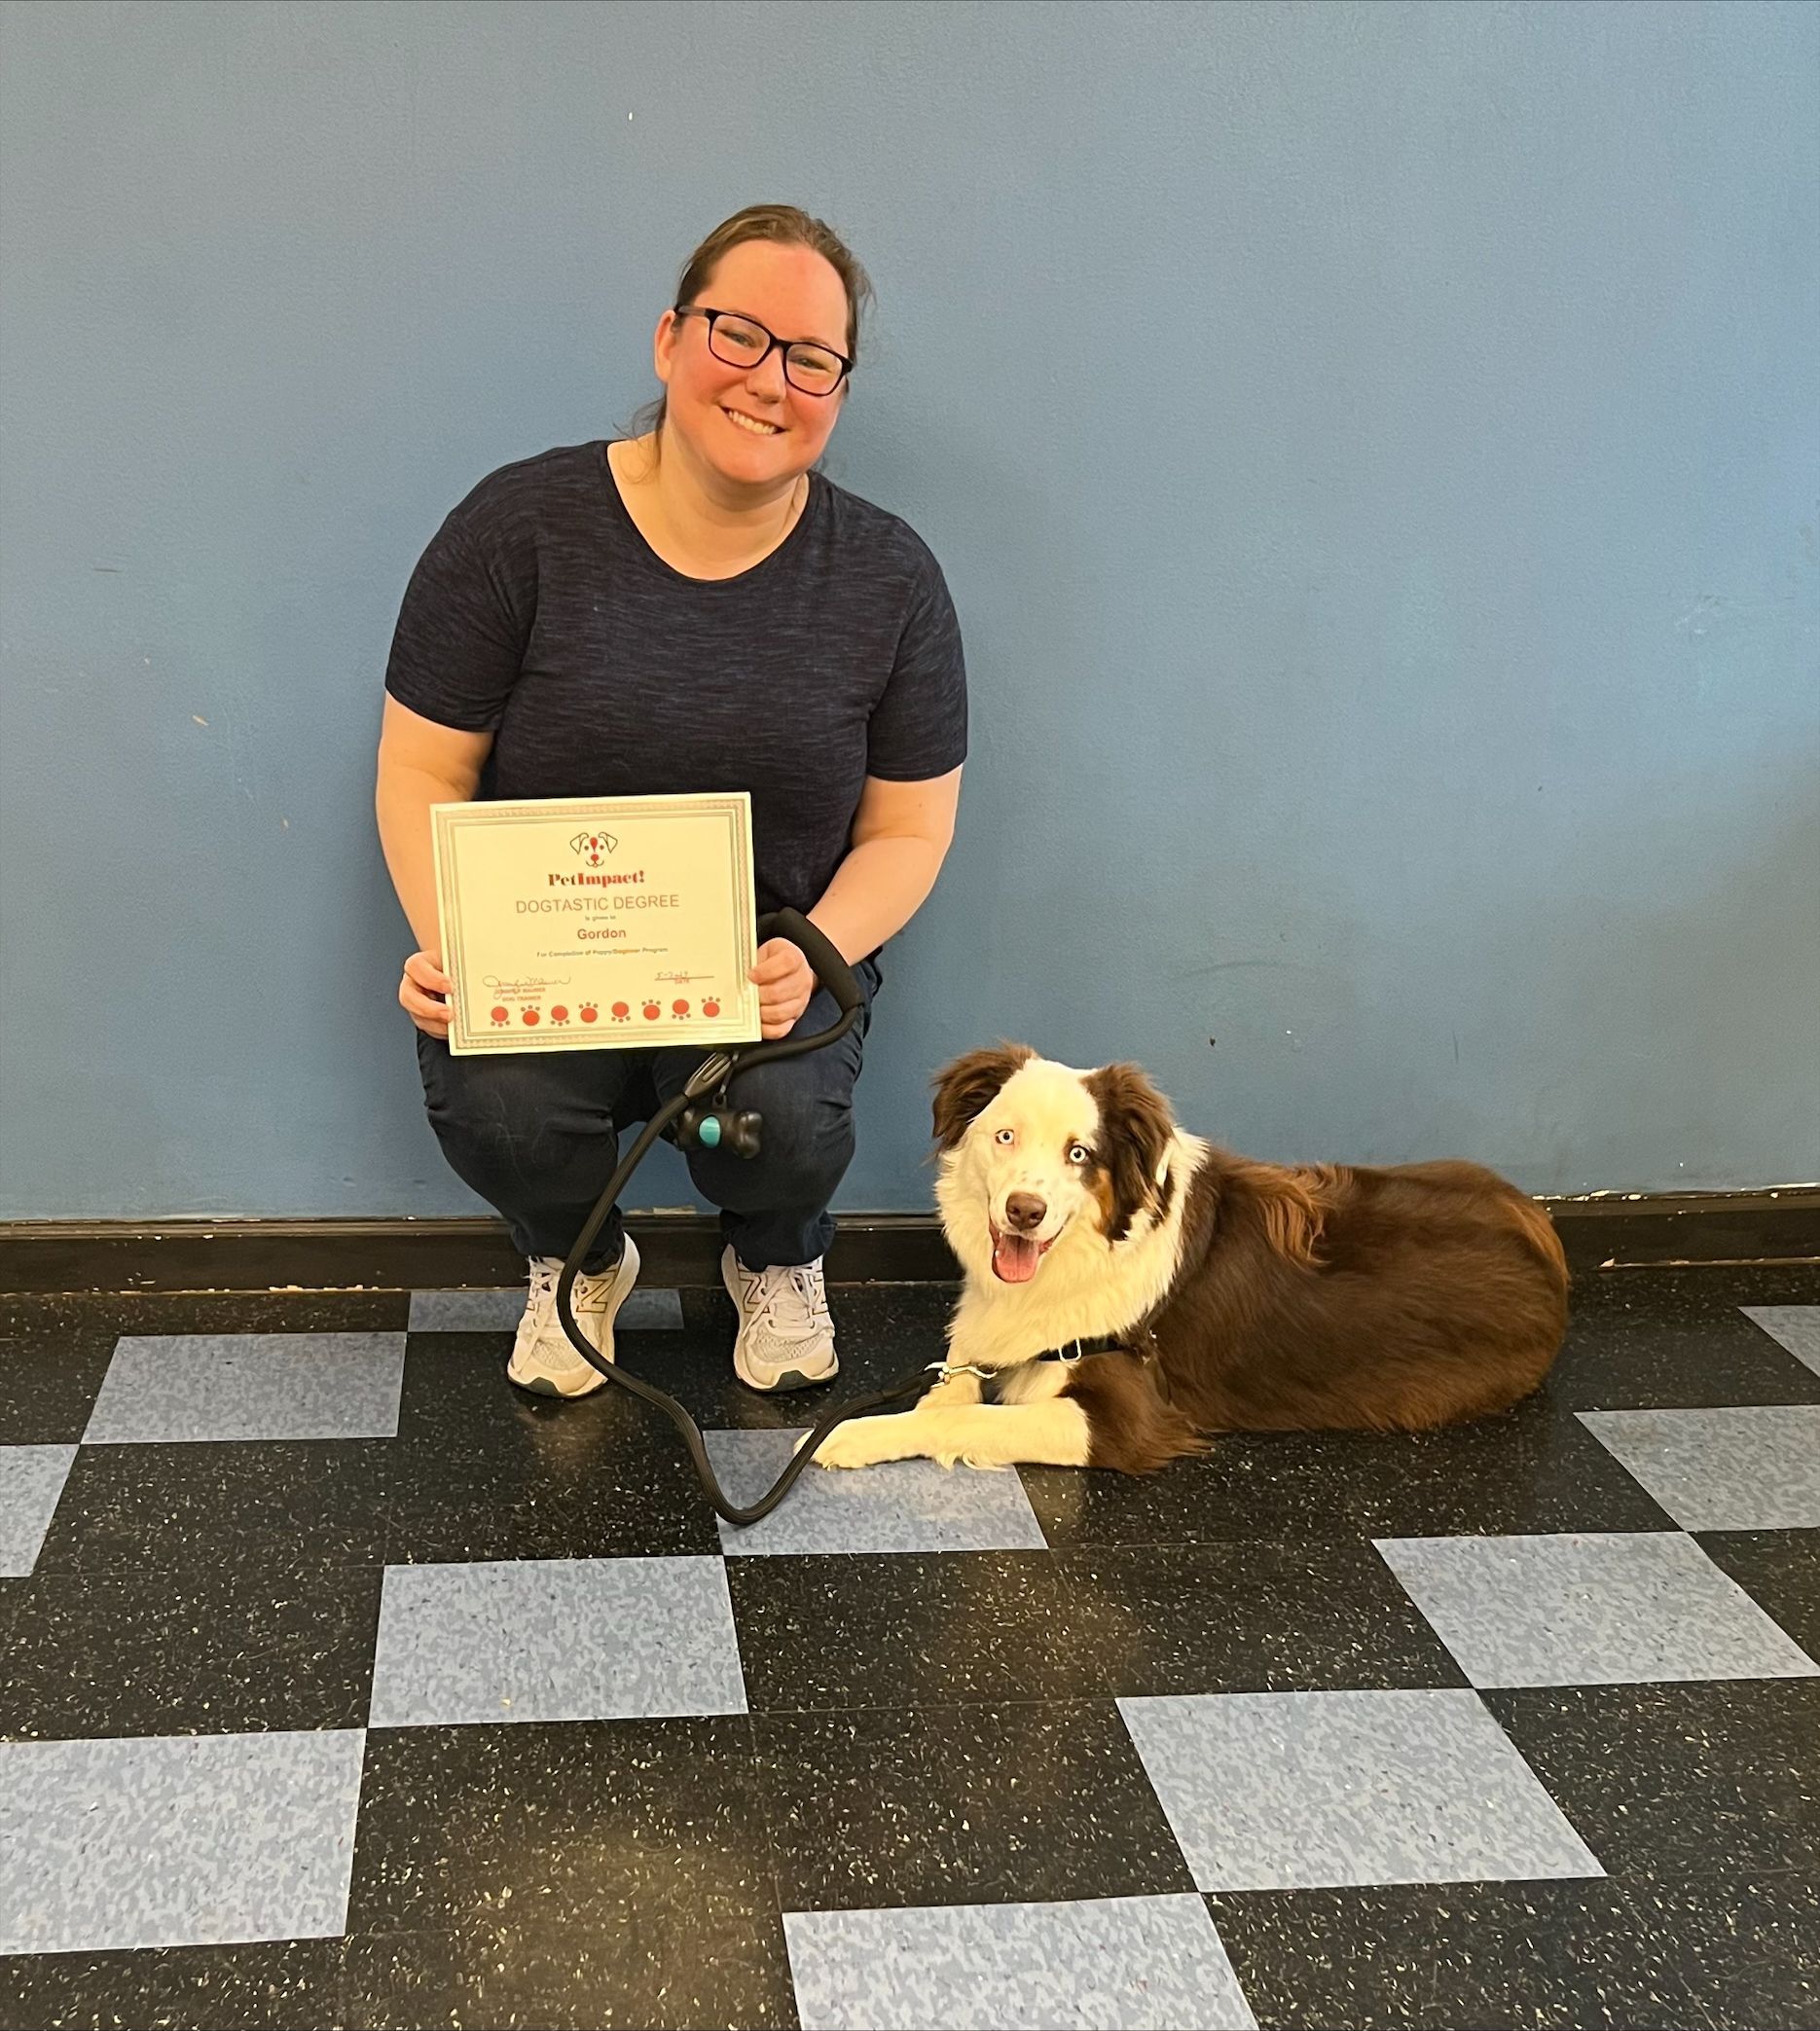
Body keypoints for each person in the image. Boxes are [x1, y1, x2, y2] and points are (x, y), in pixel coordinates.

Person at [375, 204, 966, 1399]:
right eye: (737, 334)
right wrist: (457, 944)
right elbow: (422, 769)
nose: (769, 380)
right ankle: (579, 1254)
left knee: (780, 1131)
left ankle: (775, 1251)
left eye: (812, 359)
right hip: (551, 963)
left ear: (838, 390)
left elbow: (909, 827)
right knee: (499, 1111)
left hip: (762, 972)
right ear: (669, 338)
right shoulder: (516, 530)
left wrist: (818, 949)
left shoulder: (889, 578)